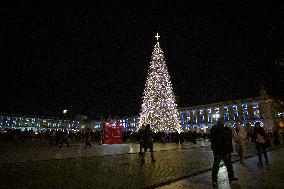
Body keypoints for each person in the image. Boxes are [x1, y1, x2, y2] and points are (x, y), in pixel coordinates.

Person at [210, 119, 238, 187]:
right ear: (223, 123)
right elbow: (228, 142)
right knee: (229, 165)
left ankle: (214, 180)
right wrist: (228, 151)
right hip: (225, 151)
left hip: (217, 151)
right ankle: (231, 178)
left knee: (216, 166)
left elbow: (212, 142)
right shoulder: (226, 130)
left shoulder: (213, 130)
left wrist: (214, 149)